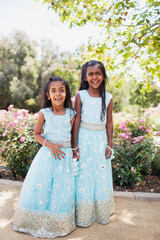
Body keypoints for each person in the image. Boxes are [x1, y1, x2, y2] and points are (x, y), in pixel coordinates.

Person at [13, 77, 76, 238]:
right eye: (53, 91)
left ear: (66, 94)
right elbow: (36, 134)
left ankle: (58, 221)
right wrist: (50, 144)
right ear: (48, 95)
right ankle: (34, 219)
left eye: (61, 90)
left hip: (65, 156)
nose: (58, 94)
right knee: (43, 187)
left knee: (61, 189)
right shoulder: (44, 113)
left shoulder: (71, 114)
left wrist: (74, 149)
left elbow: (71, 135)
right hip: (48, 156)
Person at [72, 60, 114, 227]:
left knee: (100, 175)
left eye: (98, 73)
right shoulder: (80, 96)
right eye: (91, 74)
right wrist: (74, 145)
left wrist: (110, 144)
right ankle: (83, 215)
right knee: (83, 175)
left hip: (100, 141)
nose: (95, 77)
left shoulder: (108, 98)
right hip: (83, 139)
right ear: (85, 77)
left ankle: (100, 212)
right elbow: (76, 121)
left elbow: (109, 123)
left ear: (103, 76)